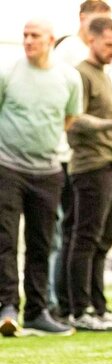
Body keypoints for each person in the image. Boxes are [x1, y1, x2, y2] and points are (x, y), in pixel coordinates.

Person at [0, 19, 81, 337]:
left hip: (48, 172)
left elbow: (69, 117)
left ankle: (37, 312)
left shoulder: (69, 78)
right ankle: (7, 307)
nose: (28, 40)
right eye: (25, 35)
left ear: (50, 40)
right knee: (5, 239)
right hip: (8, 167)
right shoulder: (8, 73)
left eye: (35, 35)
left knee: (42, 243)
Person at [65, 17, 112, 331]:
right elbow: (73, 119)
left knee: (103, 241)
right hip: (90, 167)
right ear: (91, 40)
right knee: (86, 239)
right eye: (108, 44)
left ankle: (99, 307)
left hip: (111, 165)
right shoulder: (80, 74)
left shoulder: (103, 75)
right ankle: (80, 310)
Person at [50, 0, 112, 322]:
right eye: (97, 22)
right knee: (73, 233)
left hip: (74, 155)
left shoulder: (91, 58)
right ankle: (66, 304)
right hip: (69, 155)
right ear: (83, 19)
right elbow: (70, 109)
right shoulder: (73, 52)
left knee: (74, 232)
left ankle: (74, 304)